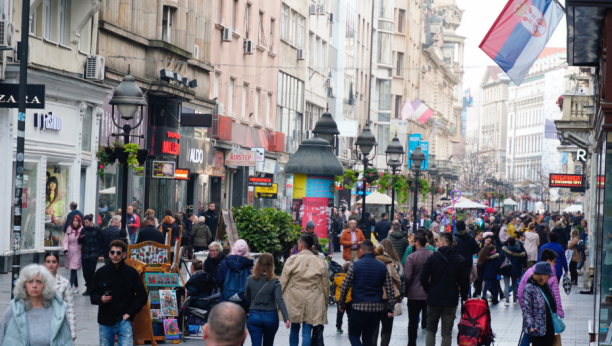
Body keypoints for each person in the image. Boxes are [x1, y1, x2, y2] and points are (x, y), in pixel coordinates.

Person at [90, 239, 148, 345]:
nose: (115, 255)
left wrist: (130, 313)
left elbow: (142, 296)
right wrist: (100, 299)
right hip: (106, 319)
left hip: (124, 319)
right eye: (112, 252)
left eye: (118, 253)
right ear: (109, 254)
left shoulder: (131, 273)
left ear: (124, 254)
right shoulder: (101, 272)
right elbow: (92, 294)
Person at [338, 240, 395, 346]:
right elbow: (389, 288)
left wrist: (342, 302)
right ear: (373, 251)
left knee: (354, 335)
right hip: (376, 308)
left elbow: (345, 286)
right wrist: (391, 306)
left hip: (358, 306)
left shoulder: (354, 265)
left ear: (360, 251)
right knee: (368, 337)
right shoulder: (382, 267)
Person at [0, 264, 73, 345]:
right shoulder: (13, 310)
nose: (34, 286)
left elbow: (67, 341)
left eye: (39, 281)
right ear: (24, 285)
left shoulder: (58, 312)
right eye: (30, 281)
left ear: (45, 285)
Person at [420, 232, 469, 346]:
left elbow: (423, 277)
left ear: (442, 242)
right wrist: (464, 294)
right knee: (447, 332)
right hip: (450, 299)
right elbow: (465, 281)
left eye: (438, 241)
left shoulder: (432, 258)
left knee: (431, 329)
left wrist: (429, 290)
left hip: (434, 299)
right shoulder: (460, 260)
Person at [280, 234, 329, 346]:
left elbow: (283, 281)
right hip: (313, 298)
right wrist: (326, 301)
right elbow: (325, 284)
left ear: (301, 245)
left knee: (294, 328)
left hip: (294, 298)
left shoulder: (292, 260)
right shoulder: (320, 261)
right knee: (307, 331)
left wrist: (278, 300)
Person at [244, 253, 290, 346]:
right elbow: (279, 300)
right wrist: (286, 318)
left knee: (255, 343)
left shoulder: (250, 279)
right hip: (271, 316)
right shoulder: (275, 281)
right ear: (271, 265)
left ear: (258, 263)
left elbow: (247, 296)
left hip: (254, 315)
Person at [405, 235, 433, 346]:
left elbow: (407, 276)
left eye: (412, 242)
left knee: (412, 321)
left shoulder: (411, 257)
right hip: (429, 294)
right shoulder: (433, 255)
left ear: (416, 242)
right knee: (430, 323)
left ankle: (411, 343)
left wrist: (406, 289)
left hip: (414, 294)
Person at [521, 262, 557, 346]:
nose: (550, 277)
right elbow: (527, 310)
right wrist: (530, 325)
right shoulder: (529, 288)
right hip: (537, 328)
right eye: (549, 275)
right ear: (542, 275)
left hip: (550, 326)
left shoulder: (546, 286)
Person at [43, 252, 77, 341]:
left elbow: (70, 308)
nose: (51, 265)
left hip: (59, 325)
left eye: (54, 262)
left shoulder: (64, 283)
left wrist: (72, 331)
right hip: (41, 324)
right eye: (48, 262)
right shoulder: (37, 282)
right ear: (44, 263)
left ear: (58, 264)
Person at [372, 243, 401, 346]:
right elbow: (398, 280)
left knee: (373, 329)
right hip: (388, 299)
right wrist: (393, 287)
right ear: (383, 251)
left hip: (374, 299)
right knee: (387, 329)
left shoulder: (371, 263)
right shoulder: (389, 264)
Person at [217, 239, 254, 310]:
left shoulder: (224, 263)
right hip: (244, 302)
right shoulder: (250, 265)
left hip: (226, 300)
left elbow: (219, 280)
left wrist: (226, 290)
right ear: (246, 250)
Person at [78, 214, 104, 296]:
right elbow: (79, 242)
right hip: (85, 253)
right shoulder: (83, 230)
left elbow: (100, 242)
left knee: (91, 271)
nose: (85, 224)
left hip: (93, 253)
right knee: (85, 272)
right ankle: (88, 287)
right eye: (84, 222)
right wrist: (81, 238)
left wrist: (100, 254)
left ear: (91, 221)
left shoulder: (97, 230)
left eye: (86, 222)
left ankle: (92, 288)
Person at [454, 221, 480, 298]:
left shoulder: (455, 238)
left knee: (456, 280)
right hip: (467, 262)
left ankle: (456, 297)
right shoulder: (471, 238)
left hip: (457, 262)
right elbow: (476, 249)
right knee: (466, 281)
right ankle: (467, 298)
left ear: (457, 228)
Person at [500, 237, 526, 306]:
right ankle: (514, 299)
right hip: (515, 269)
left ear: (508, 242)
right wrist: (520, 272)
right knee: (514, 284)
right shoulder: (518, 251)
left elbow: (500, 259)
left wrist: (499, 270)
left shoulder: (504, 250)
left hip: (506, 268)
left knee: (506, 285)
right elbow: (520, 263)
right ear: (515, 243)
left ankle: (507, 300)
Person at [63, 214, 82, 294]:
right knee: (72, 269)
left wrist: (81, 245)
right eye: (74, 220)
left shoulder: (81, 230)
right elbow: (66, 240)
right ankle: (76, 287)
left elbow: (83, 241)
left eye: (76, 221)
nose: (75, 222)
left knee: (73, 268)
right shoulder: (69, 229)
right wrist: (65, 249)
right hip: (70, 251)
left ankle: (69, 287)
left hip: (77, 250)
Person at [334, 262, 353, 334]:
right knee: (350, 314)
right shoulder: (352, 277)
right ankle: (349, 327)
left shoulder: (338, 277)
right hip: (350, 298)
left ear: (343, 269)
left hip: (340, 298)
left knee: (339, 314)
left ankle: (338, 328)